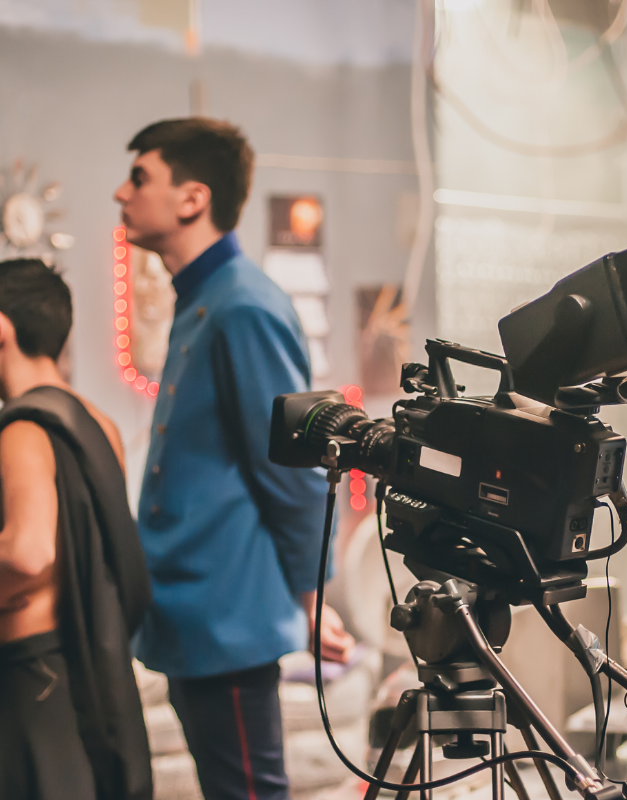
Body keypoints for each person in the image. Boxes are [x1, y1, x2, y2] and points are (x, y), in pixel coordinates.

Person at [113, 117, 356, 800]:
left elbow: (292, 466)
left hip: (229, 619)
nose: (120, 194)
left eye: (139, 178)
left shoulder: (243, 305)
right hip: (191, 613)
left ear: (192, 198)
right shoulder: (202, 301)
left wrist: (312, 596)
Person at [0, 259, 153, 800]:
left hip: (29, 673)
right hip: (89, 661)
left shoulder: (21, 427)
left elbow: (28, 553)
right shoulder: (98, 421)